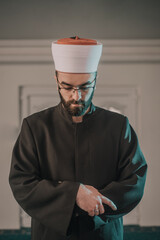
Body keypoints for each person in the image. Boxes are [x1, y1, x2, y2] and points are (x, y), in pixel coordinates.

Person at [9, 36, 147, 240]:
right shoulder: (35, 126)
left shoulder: (118, 126)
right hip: (51, 234)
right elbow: (22, 182)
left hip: (102, 232)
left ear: (95, 80)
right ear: (56, 80)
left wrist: (94, 203)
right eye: (67, 87)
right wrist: (73, 194)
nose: (77, 96)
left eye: (84, 87)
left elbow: (135, 180)